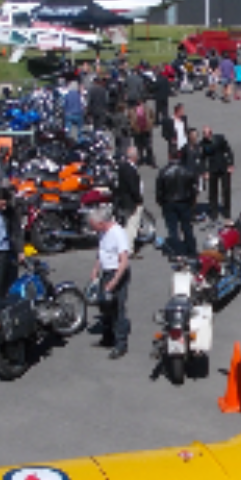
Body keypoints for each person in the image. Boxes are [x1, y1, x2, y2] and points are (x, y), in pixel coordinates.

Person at [88, 206, 130, 359]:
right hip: (106, 273)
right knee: (104, 306)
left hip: (117, 273)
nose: (92, 228)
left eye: (93, 225)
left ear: (101, 223)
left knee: (117, 308)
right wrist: (95, 269)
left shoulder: (118, 233)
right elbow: (101, 252)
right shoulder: (102, 232)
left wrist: (115, 281)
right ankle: (107, 338)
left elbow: (124, 261)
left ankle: (120, 344)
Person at [156, 150, 198, 256]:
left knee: (172, 229)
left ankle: (176, 252)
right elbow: (193, 188)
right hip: (184, 202)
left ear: (169, 156)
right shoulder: (187, 170)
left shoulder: (164, 171)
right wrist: (192, 201)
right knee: (187, 227)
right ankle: (192, 250)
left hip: (168, 203)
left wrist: (162, 202)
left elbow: (159, 191)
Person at [114, 145, 145, 256]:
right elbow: (133, 188)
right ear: (134, 157)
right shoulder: (130, 170)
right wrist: (139, 199)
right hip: (132, 202)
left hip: (124, 201)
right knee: (132, 226)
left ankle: (124, 248)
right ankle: (129, 250)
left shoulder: (123, 167)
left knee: (127, 224)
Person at [201, 125, 235, 221]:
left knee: (226, 190)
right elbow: (203, 158)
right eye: (204, 133)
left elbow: (228, 151)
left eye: (207, 133)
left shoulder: (220, 139)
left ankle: (227, 211)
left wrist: (230, 164)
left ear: (211, 133)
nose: (206, 135)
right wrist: (204, 171)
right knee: (212, 191)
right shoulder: (203, 144)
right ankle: (214, 212)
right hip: (212, 169)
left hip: (224, 167)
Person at [129, 97, 155, 167]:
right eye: (138, 103)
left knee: (149, 147)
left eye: (141, 102)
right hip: (137, 130)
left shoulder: (147, 109)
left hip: (146, 130)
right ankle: (139, 160)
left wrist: (151, 123)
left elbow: (152, 116)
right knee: (138, 146)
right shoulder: (132, 110)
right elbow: (129, 118)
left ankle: (151, 161)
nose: (140, 104)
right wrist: (133, 125)